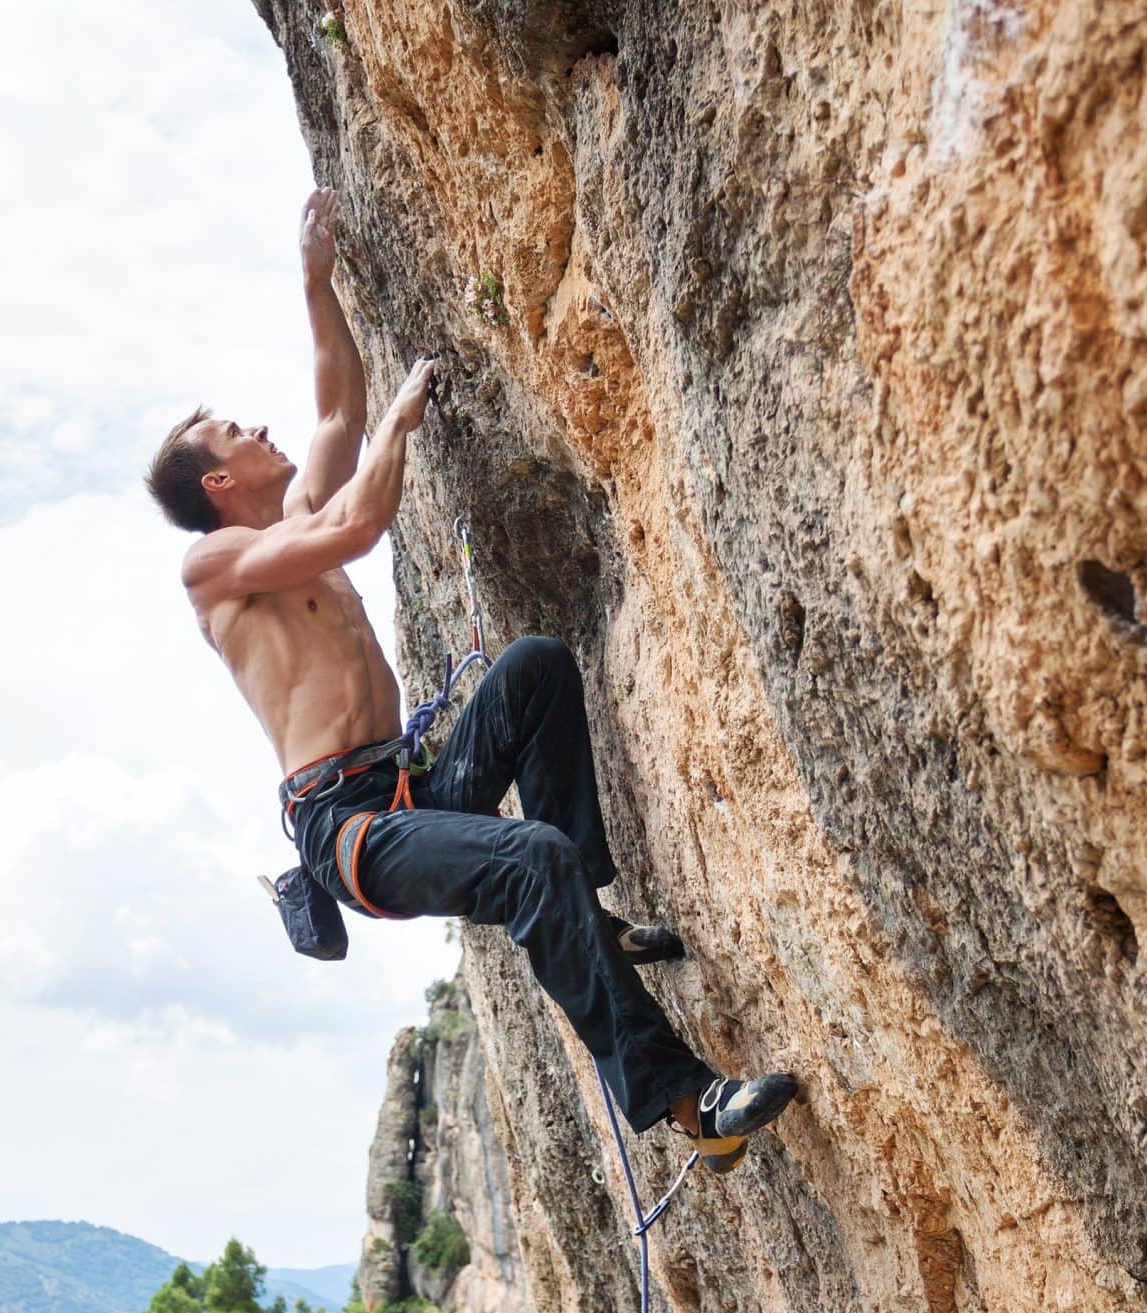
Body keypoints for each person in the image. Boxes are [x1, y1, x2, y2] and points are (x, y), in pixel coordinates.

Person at [143, 189, 796, 1170]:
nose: (260, 427)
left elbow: (335, 404)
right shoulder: (217, 570)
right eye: (234, 431)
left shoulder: (295, 522)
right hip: (353, 831)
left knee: (533, 669)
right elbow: (361, 522)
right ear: (216, 485)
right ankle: (686, 1105)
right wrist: (400, 429)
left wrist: (315, 281)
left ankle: (595, 917)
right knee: (530, 859)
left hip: (408, 789)